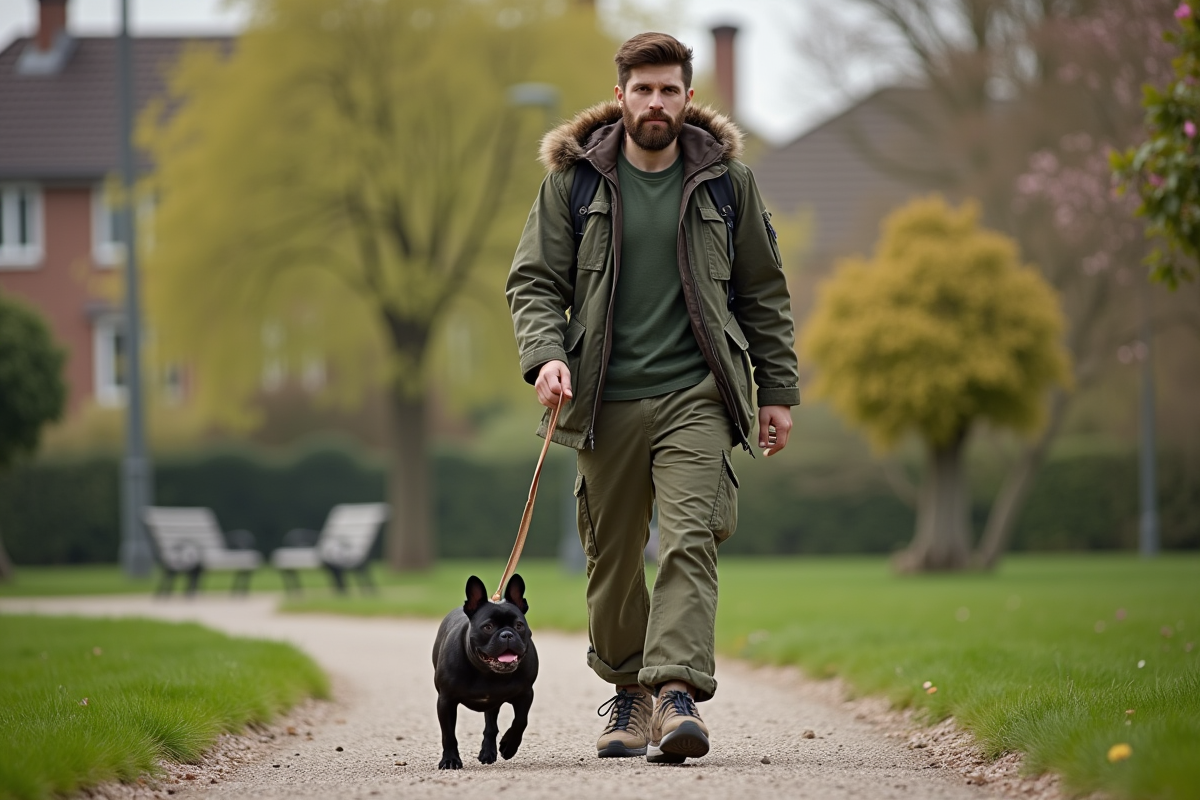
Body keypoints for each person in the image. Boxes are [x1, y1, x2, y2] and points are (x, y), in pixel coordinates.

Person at [506, 31, 799, 764]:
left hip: (696, 394)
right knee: (610, 557)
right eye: (643, 89)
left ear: (688, 98)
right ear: (620, 97)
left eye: (670, 89)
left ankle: (675, 693)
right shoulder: (573, 183)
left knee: (690, 538)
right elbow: (534, 282)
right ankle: (629, 694)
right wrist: (545, 356)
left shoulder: (728, 184)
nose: (657, 102)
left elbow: (763, 293)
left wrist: (777, 392)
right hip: (603, 400)